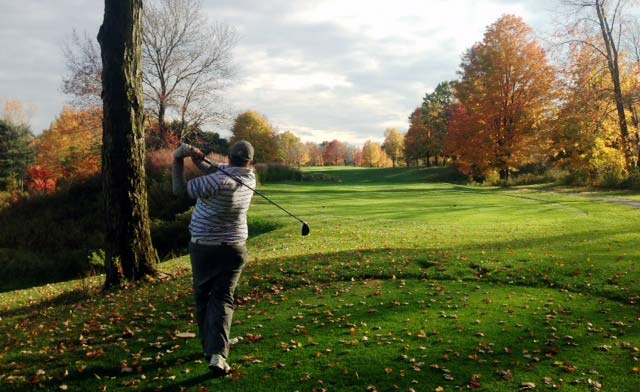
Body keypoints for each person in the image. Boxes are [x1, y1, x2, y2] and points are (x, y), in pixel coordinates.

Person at [172, 140, 256, 377]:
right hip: (235, 249)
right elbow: (217, 169)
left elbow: (179, 190)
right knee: (223, 298)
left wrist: (178, 159)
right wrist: (199, 157)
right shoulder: (249, 178)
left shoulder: (216, 182)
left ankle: (214, 352)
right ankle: (215, 351)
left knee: (204, 298)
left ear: (229, 157)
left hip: (205, 248)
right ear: (249, 162)